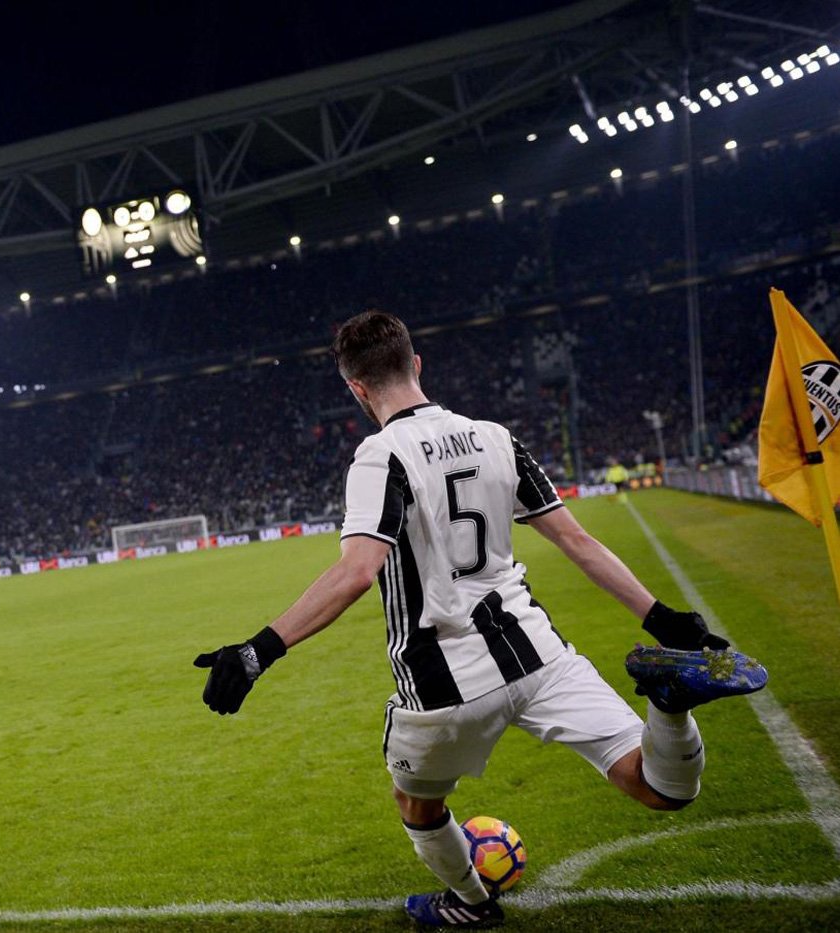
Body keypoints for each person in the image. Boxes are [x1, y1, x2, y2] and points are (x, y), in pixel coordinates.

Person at [193, 311, 767, 928]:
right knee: (663, 789)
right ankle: (671, 703)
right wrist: (661, 619)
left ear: (356, 389)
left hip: (447, 682)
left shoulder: (379, 455)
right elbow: (577, 542)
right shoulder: (496, 436)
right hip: (541, 654)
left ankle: (471, 903)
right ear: (417, 365)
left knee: (417, 806)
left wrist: (257, 651)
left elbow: (357, 571)